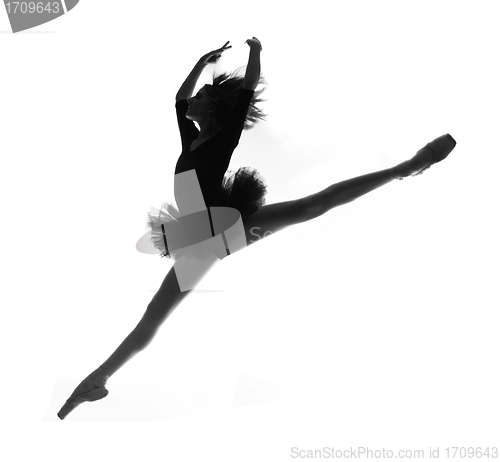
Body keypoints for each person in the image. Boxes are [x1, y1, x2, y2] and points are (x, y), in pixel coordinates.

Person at [57, 38, 456, 419]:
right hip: (202, 241)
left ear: (212, 110)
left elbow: (246, 88)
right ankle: (96, 380)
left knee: (310, 206)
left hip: (230, 226)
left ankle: (404, 169)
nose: (191, 103)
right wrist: (201, 63)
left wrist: (256, 52)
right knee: (153, 317)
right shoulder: (190, 138)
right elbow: (178, 100)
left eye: (200, 99)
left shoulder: (221, 138)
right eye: (195, 98)